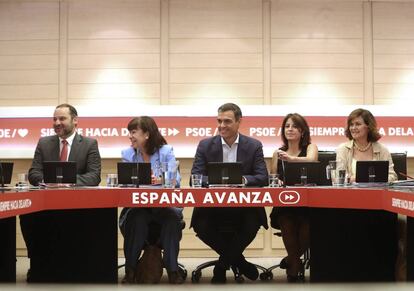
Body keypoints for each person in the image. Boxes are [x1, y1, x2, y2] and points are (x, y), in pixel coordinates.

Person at [20, 103, 101, 282]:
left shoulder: (89, 144)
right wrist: (47, 182)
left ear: (75, 121)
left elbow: (94, 176)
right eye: (54, 119)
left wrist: (66, 184)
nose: (57, 122)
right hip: (46, 204)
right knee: (26, 215)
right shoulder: (44, 143)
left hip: (77, 203)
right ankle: (37, 263)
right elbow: (34, 173)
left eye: (62, 118)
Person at [191, 103, 268, 284]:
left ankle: (221, 266)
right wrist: (219, 183)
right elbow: (195, 177)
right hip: (212, 206)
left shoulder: (254, 145)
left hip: (244, 206)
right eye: (219, 121)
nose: (222, 125)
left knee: (251, 223)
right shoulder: (205, 145)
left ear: (239, 122)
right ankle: (240, 263)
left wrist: (241, 181)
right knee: (201, 225)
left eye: (227, 121)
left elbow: (262, 177)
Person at [119, 116, 184, 284]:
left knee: (172, 219)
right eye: (129, 132)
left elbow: (174, 181)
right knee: (137, 219)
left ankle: (173, 271)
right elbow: (126, 184)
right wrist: (152, 180)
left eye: (133, 132)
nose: (130, 136)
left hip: (164, 207)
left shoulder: (166, 151)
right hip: (139, 207)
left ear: (146, 134)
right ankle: (130, 270)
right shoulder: (127, 153)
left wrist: (159, 179)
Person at [269, 113, 318, 282]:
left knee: (308, 227)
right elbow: (273, 179)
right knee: (286, 221)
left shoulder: (311, 147)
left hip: (307, 205)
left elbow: (312, 161)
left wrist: (291, 159)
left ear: (302, 131)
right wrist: (277, 180)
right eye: (287, 126)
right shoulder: (278, 153)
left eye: (294, 126)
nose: (290, 129)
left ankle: (292, 261)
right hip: (285, 204)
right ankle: (294, 263)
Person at [336, 108, 397, 182]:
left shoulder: (382, 149)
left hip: (376, 192)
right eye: (351, 125)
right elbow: (339, 177)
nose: (353, 128)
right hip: (351, 192)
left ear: (368, 127)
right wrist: (352, 179)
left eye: (358, 124)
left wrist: (368, 179)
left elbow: (392, 176)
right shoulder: (343, 149)